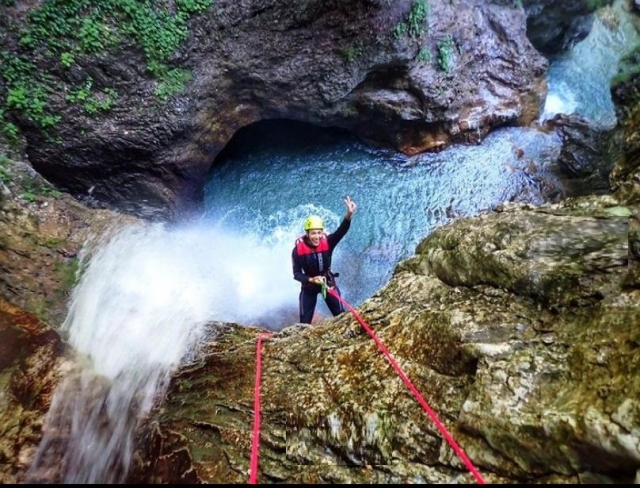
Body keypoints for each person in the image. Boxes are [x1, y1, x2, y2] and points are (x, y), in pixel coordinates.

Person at [291, 196, 357, 324]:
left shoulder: (328, 243)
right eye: (313, 233)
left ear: (322, 233)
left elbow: (341, 232)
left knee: (341, 317)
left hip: (327, 281)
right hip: (309, 285)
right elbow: (297, 274)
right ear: (307, 234)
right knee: (304, 323)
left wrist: (349, 215)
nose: (317, 237)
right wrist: (311, 279)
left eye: (319, 233)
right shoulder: (297, 251)